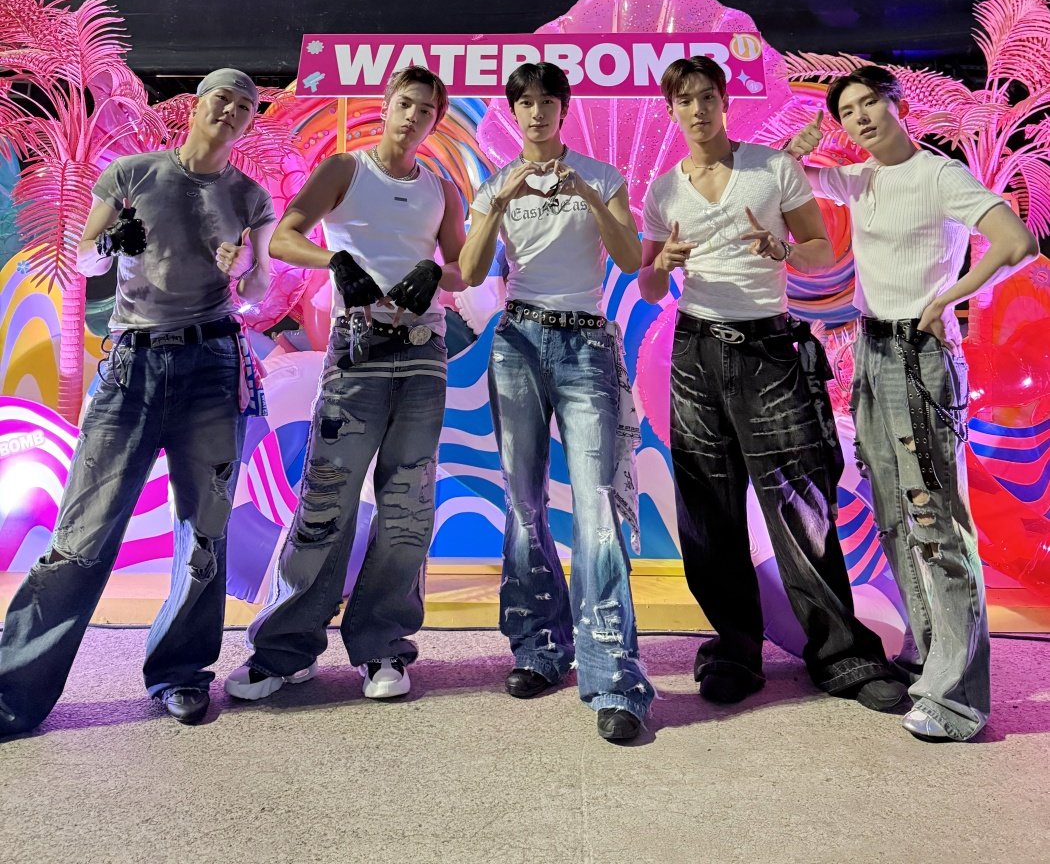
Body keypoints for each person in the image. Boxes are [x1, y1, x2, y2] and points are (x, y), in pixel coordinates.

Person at [0, 68, 275, 733]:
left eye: (245, 106)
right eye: (222, 98)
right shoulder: (133, 174)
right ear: (197, 104)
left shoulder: (249, 196)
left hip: (212, 367)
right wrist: (108, 240)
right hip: (132, 369)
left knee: (203, 534)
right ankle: (14, 693)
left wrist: (245, 270)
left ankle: (181, 675)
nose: (231, 110)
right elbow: (85, 259)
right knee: (81, 534)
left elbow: (259, 289)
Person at [638, 55, 902, 712]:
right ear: (671, 111)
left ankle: (841, 655)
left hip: (768, 349)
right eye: (684, 100)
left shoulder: (772, 169)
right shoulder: (663, 192)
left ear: (724, 102)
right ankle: (735, 649)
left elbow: (819, 248)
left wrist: (780, 249)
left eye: (707, 97)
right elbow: (648, 285)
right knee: (708, 511)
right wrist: (662, 262)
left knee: (801, 508)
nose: (698, 110)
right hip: (695, 352)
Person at [788, 65, 1038, 740]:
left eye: (871, 102)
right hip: (872, 352)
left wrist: (951, 297)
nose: (861, 117)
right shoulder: (859, 179)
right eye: (848, 111)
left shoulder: (938, 175)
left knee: (935, 520)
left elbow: (1017, 242)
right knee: (897, 516)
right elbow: (785, 182)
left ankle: (959, 700)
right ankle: (929, 657)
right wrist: (798, 144)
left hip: (920, 356)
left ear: (899, 105)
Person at [226, 67, 466, 704]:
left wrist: (434, 273)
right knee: (325, 500)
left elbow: (461, 269)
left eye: (425, 110)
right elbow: (284, 238)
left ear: (435, 121)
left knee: (407, 508)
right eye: (405, 104)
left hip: (423, 354)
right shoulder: (345, 169)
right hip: (355, 352)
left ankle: (383, 645)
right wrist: (335, 261)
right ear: (385, 106)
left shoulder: (441, 188)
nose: (413, 117)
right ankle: (284, 651)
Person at [458, 62, 654, 743]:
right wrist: (498, 202)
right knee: (523, 502)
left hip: (585, 344)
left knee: (596, 508)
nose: (536, 112)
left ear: (564, 109)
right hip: (517, 341)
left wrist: (590, 198)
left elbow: (629, 259)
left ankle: (615, 678)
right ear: (513, 112)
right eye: (526, 103)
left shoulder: (601, 176)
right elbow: (470, 270)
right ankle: (539, 647)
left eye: (547, 101)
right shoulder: (495, 182)